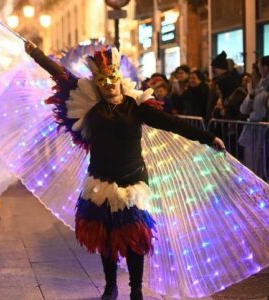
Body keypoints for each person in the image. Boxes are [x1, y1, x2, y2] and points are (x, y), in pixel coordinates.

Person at [23, 41, 225, 300]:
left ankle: (136, 289)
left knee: (134, 239)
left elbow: (173, 123)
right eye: (102, 81)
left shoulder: (136, 106)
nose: (108, 85)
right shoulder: (90, 106)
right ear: (97, 83)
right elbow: (61, 76)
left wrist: (207, 138)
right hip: (100, 179)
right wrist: (36, 53)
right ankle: (110, 286)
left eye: (111, 80)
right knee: (106, 237)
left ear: (119, 79)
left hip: (133, 181)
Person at [239, 57, 269, 177]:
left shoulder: (264, 89)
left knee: (262, 164)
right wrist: (250, 95)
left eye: (258, 67)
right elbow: (243, 109)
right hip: (254, 129)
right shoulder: (256, 88)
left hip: (262, 128)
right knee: (252, 163)